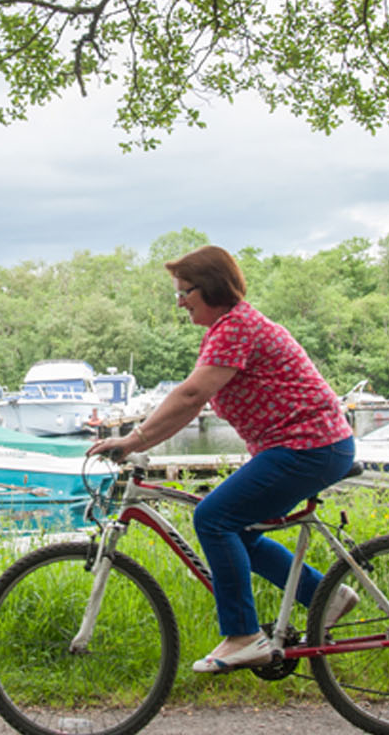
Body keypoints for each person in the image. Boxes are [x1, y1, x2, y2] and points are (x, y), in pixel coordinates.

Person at [86, 245, 357, 672]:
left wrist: (133, 440)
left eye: (184, 292)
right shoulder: (225, 330)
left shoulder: (237, 328)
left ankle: (243, 636)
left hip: (310, 447)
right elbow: (192, 403)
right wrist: (137, 439)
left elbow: (191, 394)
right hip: (306, 447)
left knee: (213, 519)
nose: (179, 303)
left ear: (210, 287)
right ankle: (325, 596)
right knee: (240, 532)